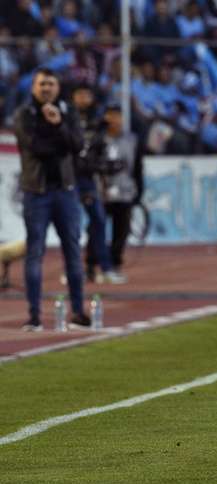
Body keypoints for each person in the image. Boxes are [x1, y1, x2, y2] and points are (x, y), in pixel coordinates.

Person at [14, 67, 91, 331]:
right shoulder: (24, 114)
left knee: (72, 251)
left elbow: (77, 145)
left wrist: (58, 125)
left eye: (51, 83)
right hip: (37, 192)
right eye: (41, 84)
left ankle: (78, 312)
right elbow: (35, 147)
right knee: (35, 253)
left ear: (58, 87)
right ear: (33, 88)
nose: (46, 88)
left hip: (66, 191)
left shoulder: (67, 113)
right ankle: (34, 316)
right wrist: (58, 135)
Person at [71, 84, 125, 284]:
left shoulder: (98, 123)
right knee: (71, 225)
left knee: (99, 221)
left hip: (88, 180)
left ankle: (104, 268)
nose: (84, 98)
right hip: (69, 179)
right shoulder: (67, 118)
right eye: (80, 94)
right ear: (74, 97)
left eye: (87, 94)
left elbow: (100, 153)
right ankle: (73, 268)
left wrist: (104, 170)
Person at [93, 103, 144, 277]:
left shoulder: (132, 140)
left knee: (121, 231)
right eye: (111, 115)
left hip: (125, 192)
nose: (114, 120)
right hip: (102, 192)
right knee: (95, 229)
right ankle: (90, 265)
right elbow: (91, 164)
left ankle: (115, 264)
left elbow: (137, 167)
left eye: (118, 115)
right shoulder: (98, 139)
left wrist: (139, 191)